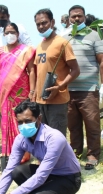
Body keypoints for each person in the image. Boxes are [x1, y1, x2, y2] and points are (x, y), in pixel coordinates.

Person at [0, 100, 82, 194]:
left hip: (69, 178)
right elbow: (9, 170)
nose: (24, 125)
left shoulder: (54, 138)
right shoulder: (20, 139)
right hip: (49, 174)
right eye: (20, 122)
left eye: (28, 121)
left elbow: (41, 176)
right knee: (17, 172)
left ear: (39, 119)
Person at [63, 5, 103, 170]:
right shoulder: (65, 37)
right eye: (73, 17)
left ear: (84, 17)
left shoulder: (95, 35)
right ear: (69, 18)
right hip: (68, 90)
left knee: (92, 123)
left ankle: (93, 155)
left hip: (89, 89)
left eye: (79, 16)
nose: (76, 19)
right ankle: (75, 152)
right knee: (72, 124)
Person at [0, 22, 36, 163]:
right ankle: (9, 150)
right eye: (7, 32)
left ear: (17, 34)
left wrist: (33, 91)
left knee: (21, 121)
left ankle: (25, 152)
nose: (10, 35)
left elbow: (32, 71)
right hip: (4, 93)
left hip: (21, 92)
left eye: (13, 32)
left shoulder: (26, 50)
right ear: (4, 35)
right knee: (6, 121)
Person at [33, 8, 80, 136]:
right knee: (42, 137)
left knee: (56, 138)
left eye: (44, 23)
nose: (41, 27)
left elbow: (75, 70)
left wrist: (60, 86)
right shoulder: (39, 46)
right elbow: (39, 73)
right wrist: (34, 96)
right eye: (38, 24)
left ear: (52, 22)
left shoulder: (62, 43)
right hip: (40, 101)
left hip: (57, 101)